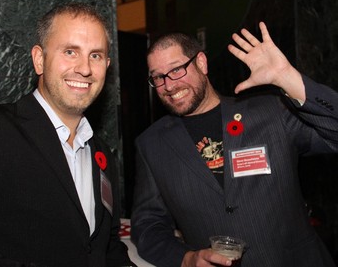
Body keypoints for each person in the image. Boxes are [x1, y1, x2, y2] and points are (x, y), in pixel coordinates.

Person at [131, 22, 338, 267]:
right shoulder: (152, 144)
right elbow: (148, 225)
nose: (169, 85)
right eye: (158, 76)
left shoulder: (270, 112)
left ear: (201, 63)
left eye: (176, 70)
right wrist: (186, 259)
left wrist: (288, 78)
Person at [0, 2, 135, 267]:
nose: (85, 69)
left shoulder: (101, 154)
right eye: (70, 51)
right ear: (39, 60)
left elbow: (107, 246)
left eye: (96, 55)